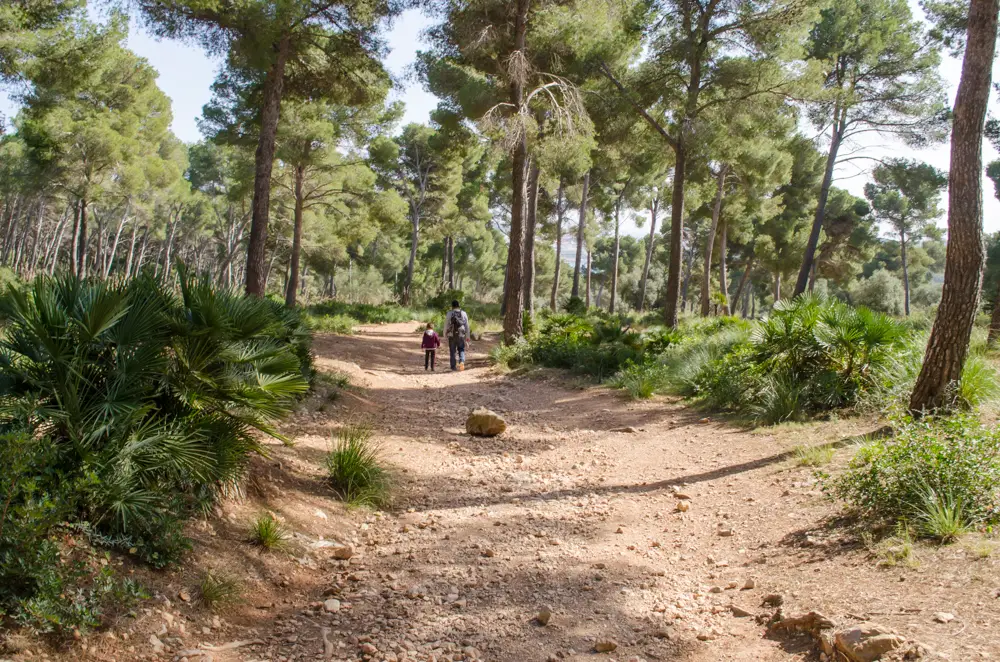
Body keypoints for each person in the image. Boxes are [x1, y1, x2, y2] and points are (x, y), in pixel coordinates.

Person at [445, 299, 470, 371]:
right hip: (461, 334)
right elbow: (467, 326)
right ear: (459, 306)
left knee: (452, 351)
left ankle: (453, 367)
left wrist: (445, 334)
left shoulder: (449, 313)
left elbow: (446, 325)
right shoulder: (464, 313)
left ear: (452, 306)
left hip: (452, 334)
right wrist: (467, 337)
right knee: (461, 349)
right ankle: (461, 361)